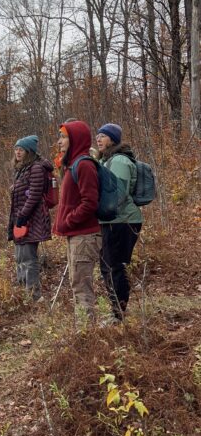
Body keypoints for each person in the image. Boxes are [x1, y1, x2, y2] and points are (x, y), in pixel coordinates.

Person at [54, 120, 102, 323]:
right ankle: (83, 332)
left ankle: (85, 337)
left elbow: (90, 202)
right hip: (76, 235)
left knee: (81, 287)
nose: (59, 141)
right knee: (77, 284)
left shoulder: (83, 165)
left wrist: (69, 221)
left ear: (75, 139)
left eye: (64, 137)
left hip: (85, 235)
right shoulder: (72, 165)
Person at [94, 123, 142, 323]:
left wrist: (100, 208)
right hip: (115, 220)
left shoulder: (120, 161)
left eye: (103, 136)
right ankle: (118, 312)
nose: (98, 139)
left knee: (113, 266)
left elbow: (119, 194)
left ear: (113, 140)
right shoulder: (109, 159)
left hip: (122, 221)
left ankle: (119, 314)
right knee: (110, 265)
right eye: (97, 135)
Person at [8, 135, 52, 299]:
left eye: (21, 149)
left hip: (31, 220)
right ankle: (23, 294)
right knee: (20, 257)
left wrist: (22, 216)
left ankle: (34, 296)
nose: (17, 152)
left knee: (28, 257)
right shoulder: (22, 169)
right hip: (21, 219)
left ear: (29, 152)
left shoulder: (36, 168)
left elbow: (34, 196)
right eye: (16, 149)